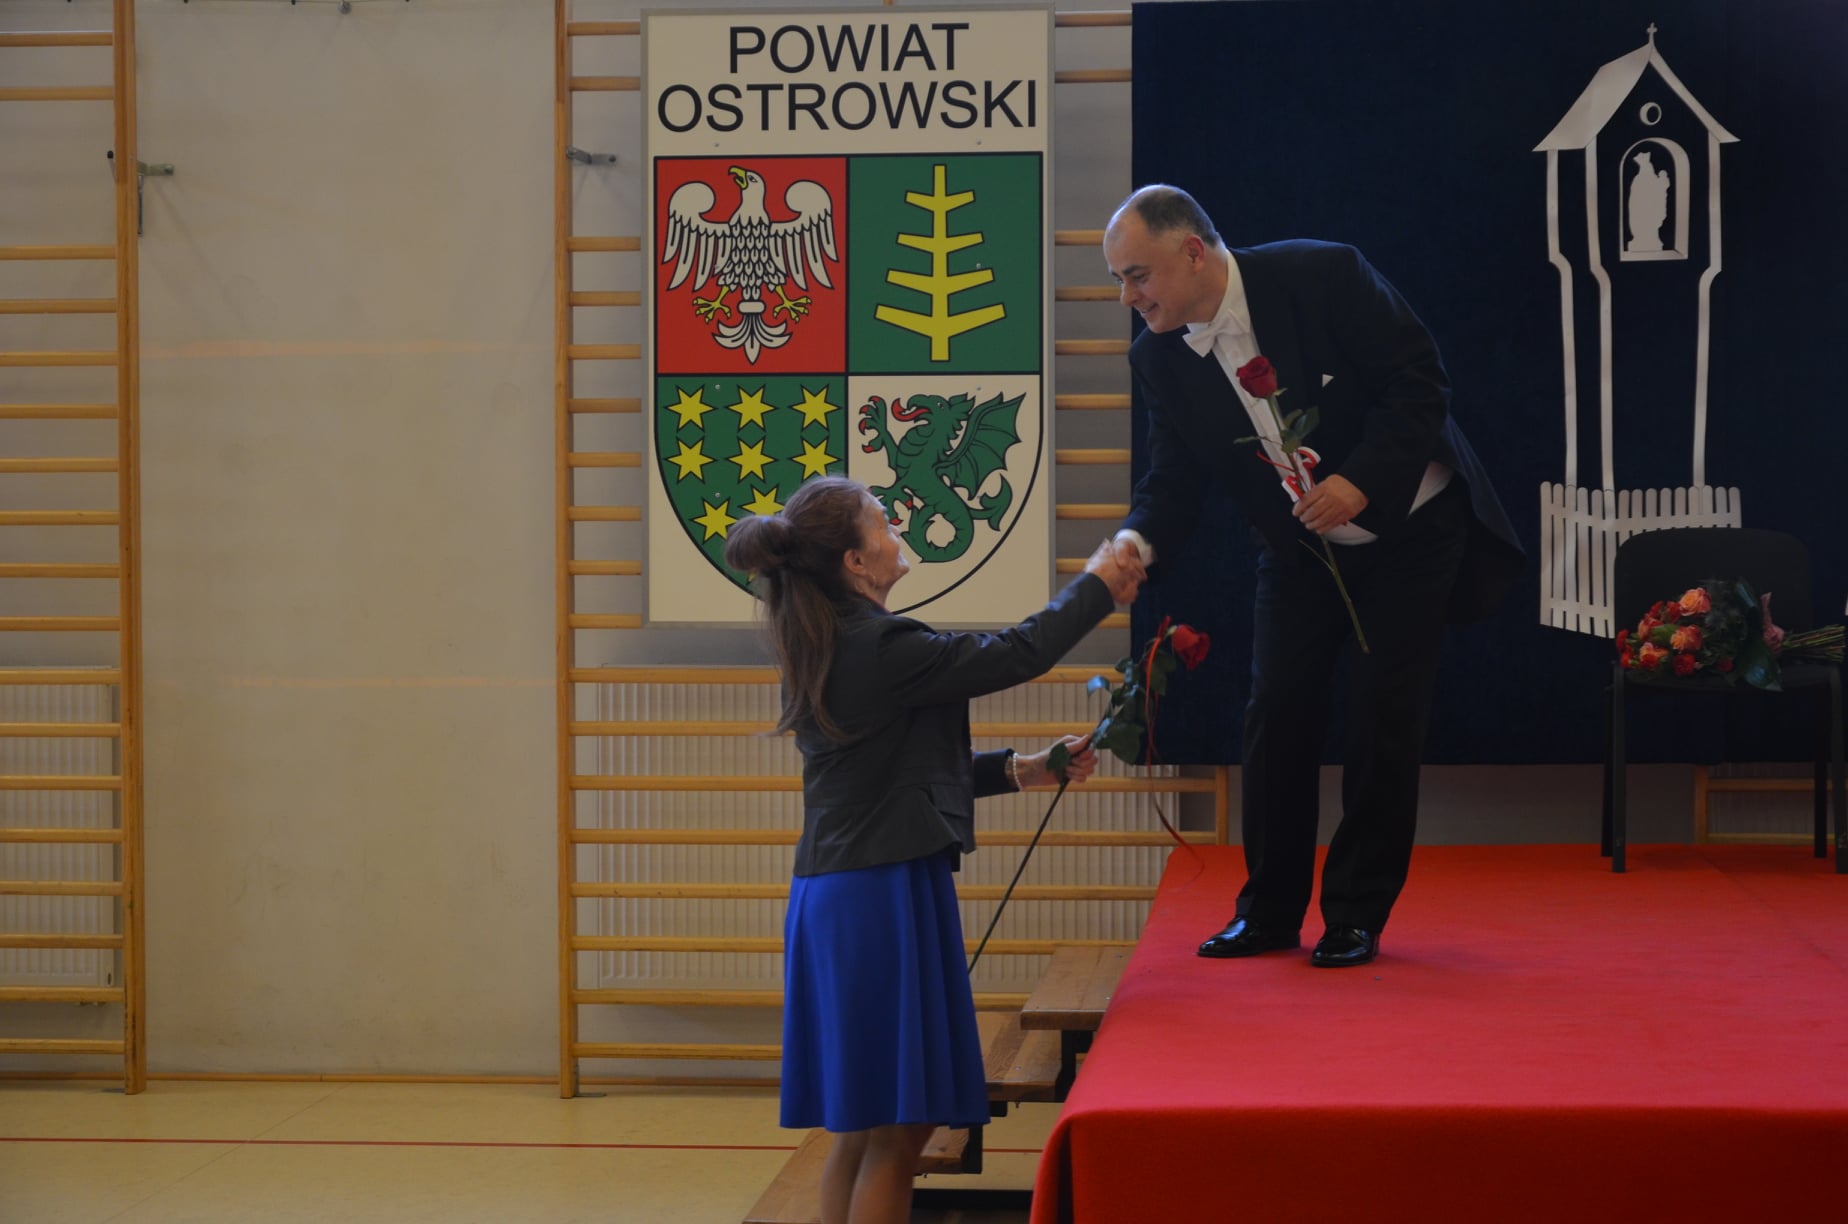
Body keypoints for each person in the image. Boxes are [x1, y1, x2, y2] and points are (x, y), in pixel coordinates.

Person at [1102, 185, 1523, 968]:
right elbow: (1173, 481)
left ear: (1191, 252)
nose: (1128, 297)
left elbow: (1419, 383)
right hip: (1299, 546)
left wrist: (1361, 479)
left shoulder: (1324, 275)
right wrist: (1134, 543)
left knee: (1381, 715)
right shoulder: (1157, 357)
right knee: (1276, 711)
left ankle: (1356, 914)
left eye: (1137, 276)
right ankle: (1267, 910)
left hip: (1410, 528)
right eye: (1119, 281)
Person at [723, 475, 1142, 1224]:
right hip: (877, 896)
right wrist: (1098, 586)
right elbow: (1017, 653)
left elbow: (894, 777)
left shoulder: (837, 640)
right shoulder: (879, 644)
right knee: (899, 1129)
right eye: (882, 522)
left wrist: (1023, 770)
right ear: (855, 561)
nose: (896, 530)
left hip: (846, 891)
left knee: (864, 1127)